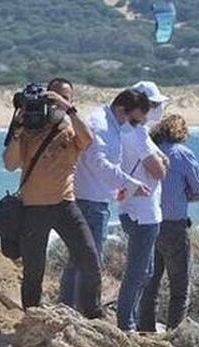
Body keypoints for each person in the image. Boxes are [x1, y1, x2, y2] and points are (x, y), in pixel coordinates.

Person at [2, 79, 101, 318]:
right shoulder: (28, 126)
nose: (58, 100)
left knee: (90, 260)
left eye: (66, 97)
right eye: (54, 95)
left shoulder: (70, 126)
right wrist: (17, 131)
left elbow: (88, 141)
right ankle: (31, 318)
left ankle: (94, 317)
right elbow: (10, 163)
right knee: (34, 271)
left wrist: (69, 109)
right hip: (33, 208)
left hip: (65, 204)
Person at [58, 86, 153, 312]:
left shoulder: (110, 124)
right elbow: (98, 162)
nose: (135, 126)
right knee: (88, 261)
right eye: (134, 121)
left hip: (96, 197)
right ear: (121, 109)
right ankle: (82, 311)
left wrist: (121, 187)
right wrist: (129, 183)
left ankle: (68, 308)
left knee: (79, 259)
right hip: (90, 200)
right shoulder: (101, 125)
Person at [113, 82, 172, 332]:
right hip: (142, 212)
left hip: (134, 209)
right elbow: (159, 170)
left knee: (145, 271)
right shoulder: (136, 134)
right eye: (153, 105)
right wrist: (162, 161)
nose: (156, 110)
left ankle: (130, 321)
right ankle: (126, 323)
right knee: (138, 271)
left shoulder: (133, 132)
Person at [138, 112, 199, 332]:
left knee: (150, 283)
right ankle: (174, 334)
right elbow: (198, 190)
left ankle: (145, 329)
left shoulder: (149, 150)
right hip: (174, 225)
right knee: (180, 286)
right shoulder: (183, 154)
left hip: (148, 221)